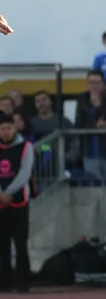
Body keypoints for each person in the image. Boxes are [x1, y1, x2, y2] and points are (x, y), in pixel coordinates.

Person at [0, 112, 33, 293]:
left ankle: (22, 282)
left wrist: (9, 192)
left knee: (20, 243)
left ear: (14, 128)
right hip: (1, 202)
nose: (5, 132)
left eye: (8, 128)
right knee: (2, 244)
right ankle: (4, 281)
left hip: (19, 201)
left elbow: (25, 173)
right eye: (2, 129)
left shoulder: (25, 147)